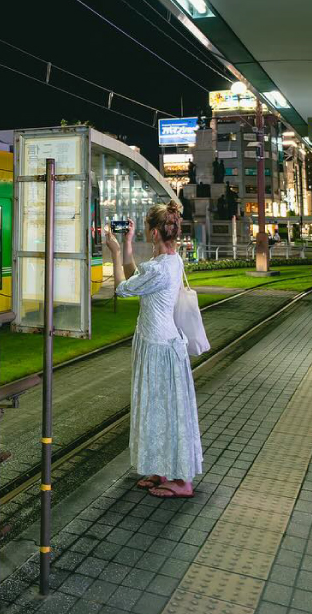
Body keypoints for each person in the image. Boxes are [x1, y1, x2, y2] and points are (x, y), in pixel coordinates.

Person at [102, 201, 202, 499]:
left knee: (166, 411)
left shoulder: (160, 269)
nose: (145, 233)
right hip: (159, 345)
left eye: (146, 230)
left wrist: (117, 252)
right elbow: (136, 280)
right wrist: (128, 243)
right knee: (159, 410)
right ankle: (162, 468)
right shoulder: (171, 262)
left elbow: (123, 288)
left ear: (156, 232)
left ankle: (182, 481)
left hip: (159, 348)